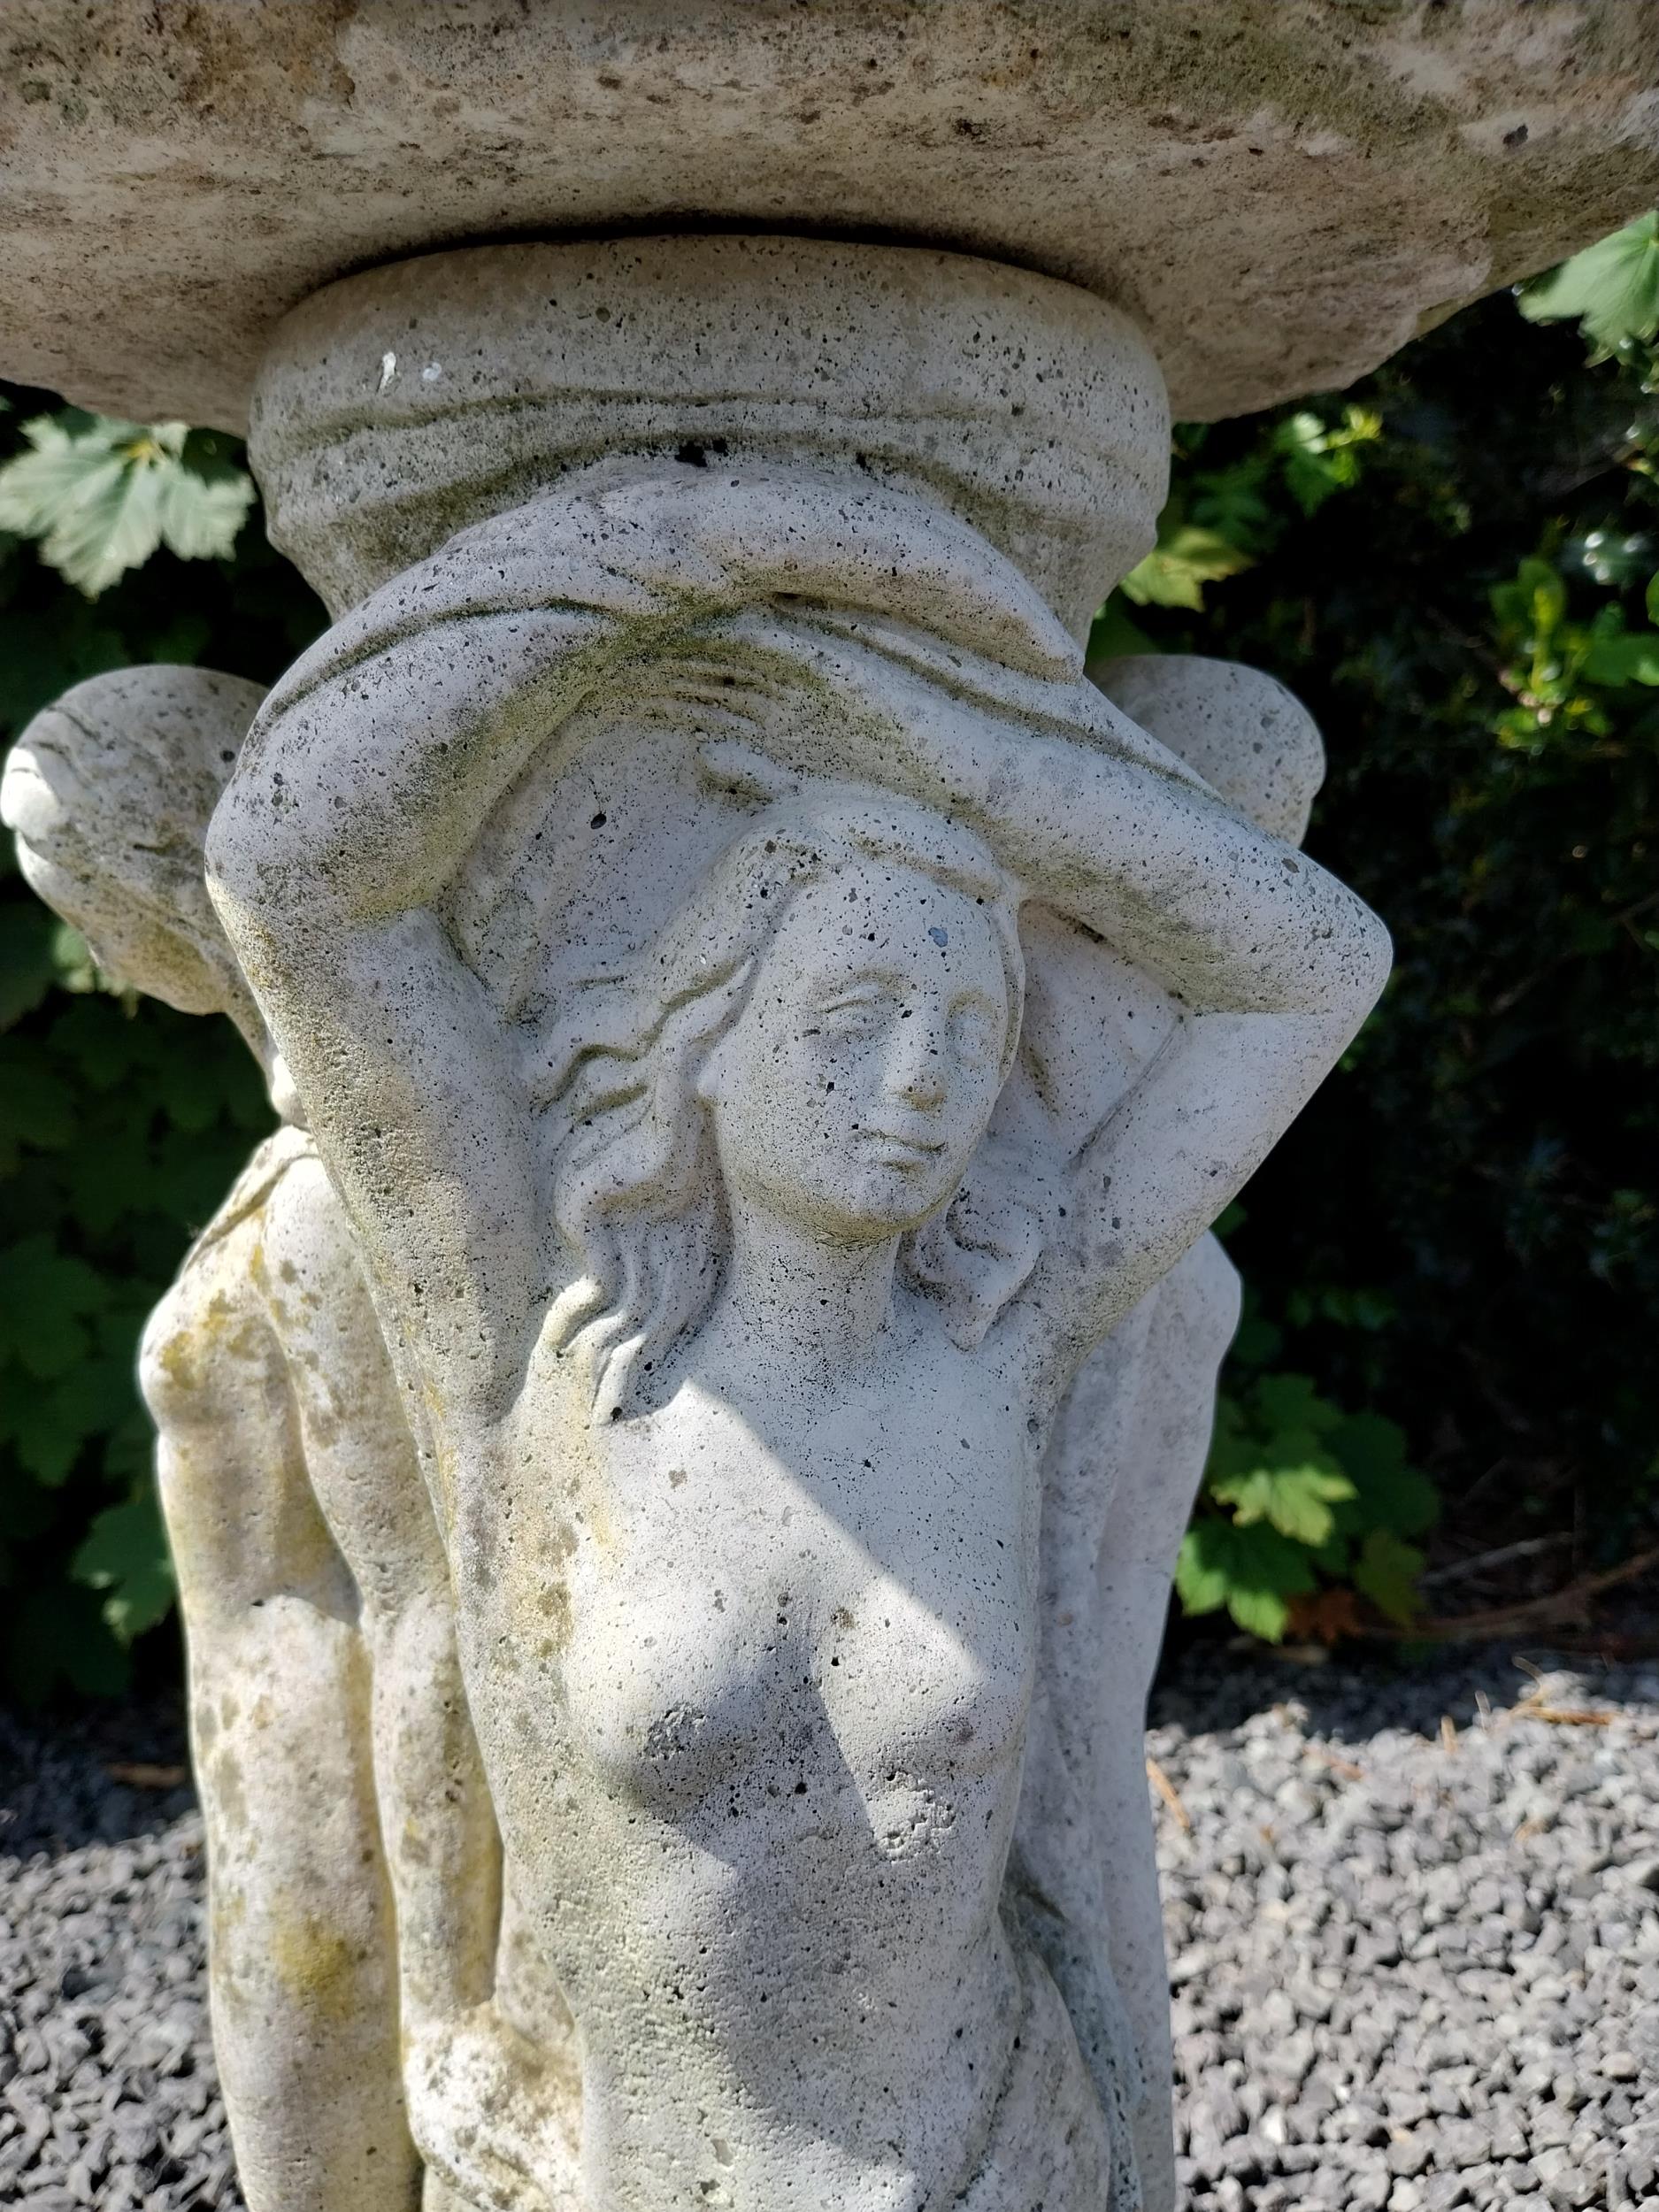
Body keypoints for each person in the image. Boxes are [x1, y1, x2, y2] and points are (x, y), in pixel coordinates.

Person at [207, 463, 1390, 2212]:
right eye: (851, 1016)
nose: (918, 1081)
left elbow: (1310, 959)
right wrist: (665, 549)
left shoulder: (1002, 1340)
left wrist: (929, 724)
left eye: (963, 1030)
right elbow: (291, 868)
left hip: (1007, 2161)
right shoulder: (527, 1340)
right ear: (700, 1034)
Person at [3, 667, 567, 2212]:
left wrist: (451, 2002)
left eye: (72, 888)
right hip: (274, 1782)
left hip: (332, 1827)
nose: (87, 944)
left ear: (160, 880)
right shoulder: (327, 1148)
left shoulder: (347, 1194)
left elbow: (432, 1604)